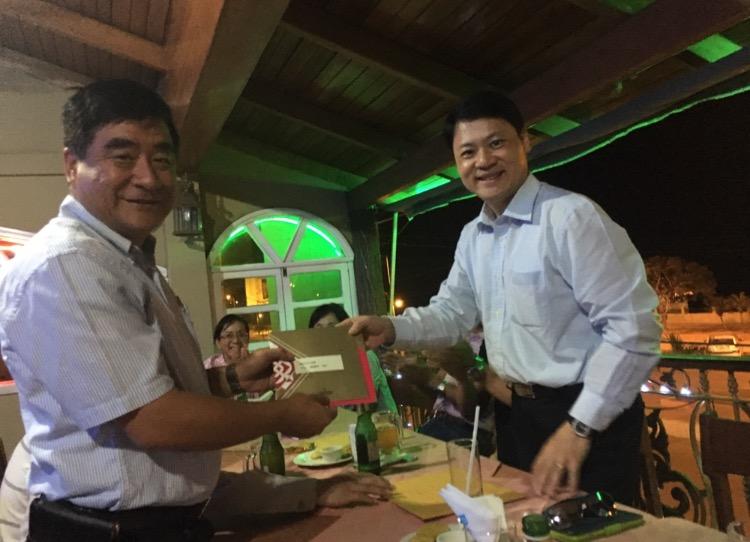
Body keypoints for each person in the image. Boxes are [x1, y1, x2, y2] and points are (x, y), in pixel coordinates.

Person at [0, 79, 390, 542]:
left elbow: (143, 392)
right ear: (72, 165)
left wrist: (232, 379)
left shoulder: (129, 263)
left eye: (162, 160)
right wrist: (282, 415)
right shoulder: (68, 265)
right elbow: (152, 420)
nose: (148, 177)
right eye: (122, 157)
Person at [346, 91, 662, 504]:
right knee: (522, 522)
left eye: (496, 143)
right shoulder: (473, 237)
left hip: (585, 415)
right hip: (517, 414)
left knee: (598, 530)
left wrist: (579, 427)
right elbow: (452, 313)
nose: (483, 161)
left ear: (524, 142)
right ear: (456, 163)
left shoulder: (570, 218)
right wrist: (389, 328)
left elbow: (634, 330)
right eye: (468, 152)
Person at [309, 303, 398, 414]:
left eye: (331, 327)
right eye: (319, 328)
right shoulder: (314, 363)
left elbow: (368, 403)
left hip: (379, 422)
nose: (325, 333)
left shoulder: (364, 355)